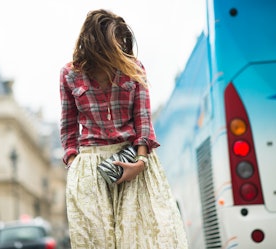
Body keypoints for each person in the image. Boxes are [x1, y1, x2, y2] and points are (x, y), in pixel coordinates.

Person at [59, 9, 188, 249]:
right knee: (96, 242)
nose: (119, 50)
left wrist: (139, 162)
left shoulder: (134, 68)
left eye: (121, 43)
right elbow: (68, 126)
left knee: (145, 239)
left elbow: (144, 122)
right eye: (113, 44)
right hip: (90, 167)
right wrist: (76, 164)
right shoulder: (70, 74)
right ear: (96, 43)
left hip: (135, 160)